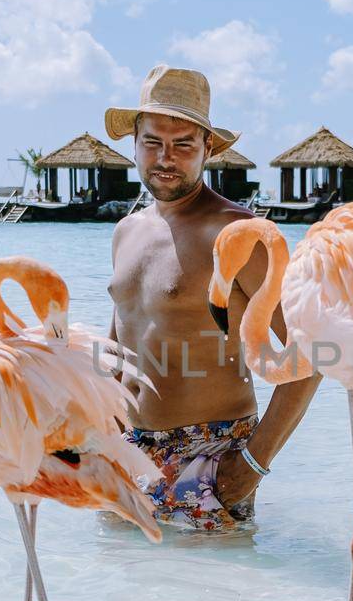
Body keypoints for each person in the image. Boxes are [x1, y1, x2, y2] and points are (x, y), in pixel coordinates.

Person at [104, 65, 321, 533]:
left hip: (209, 456)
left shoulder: (236, 235)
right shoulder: (127, 231)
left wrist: (252, 464)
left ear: (208, 149)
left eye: (183, 144)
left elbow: (311, 356)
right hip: (124, 452)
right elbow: (121, 341)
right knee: (124, 597)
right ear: (134, 144)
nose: (166, 157)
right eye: (153, 142)